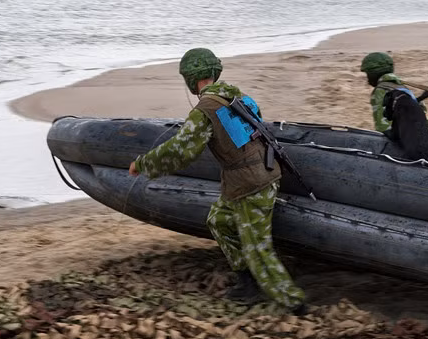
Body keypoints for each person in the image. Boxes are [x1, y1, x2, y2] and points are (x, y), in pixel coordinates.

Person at [129, 48, 307, 314]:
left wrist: (143, 164)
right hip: (251, 177)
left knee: (257, 247)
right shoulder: (241, 98)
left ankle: (294, 303)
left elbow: (181, 151)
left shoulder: (205, 110)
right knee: (219, 221)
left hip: (251, 184)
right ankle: (246, 279)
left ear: (192, 78)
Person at [360, 52, 409, 133]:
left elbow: (382, 126)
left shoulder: (381, 90)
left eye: (367, 74)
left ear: (374, 72)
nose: (367, 78)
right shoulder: (403, 87)